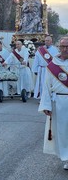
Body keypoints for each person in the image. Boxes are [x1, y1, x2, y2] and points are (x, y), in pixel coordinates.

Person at [38, 37, 68, 170]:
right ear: (59, 47)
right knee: (63, 132)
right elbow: (46, 86)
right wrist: (46, 105)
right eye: (63, 46)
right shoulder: (52, 66)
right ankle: (67, 158)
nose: (65, 49)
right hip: (59, 103)